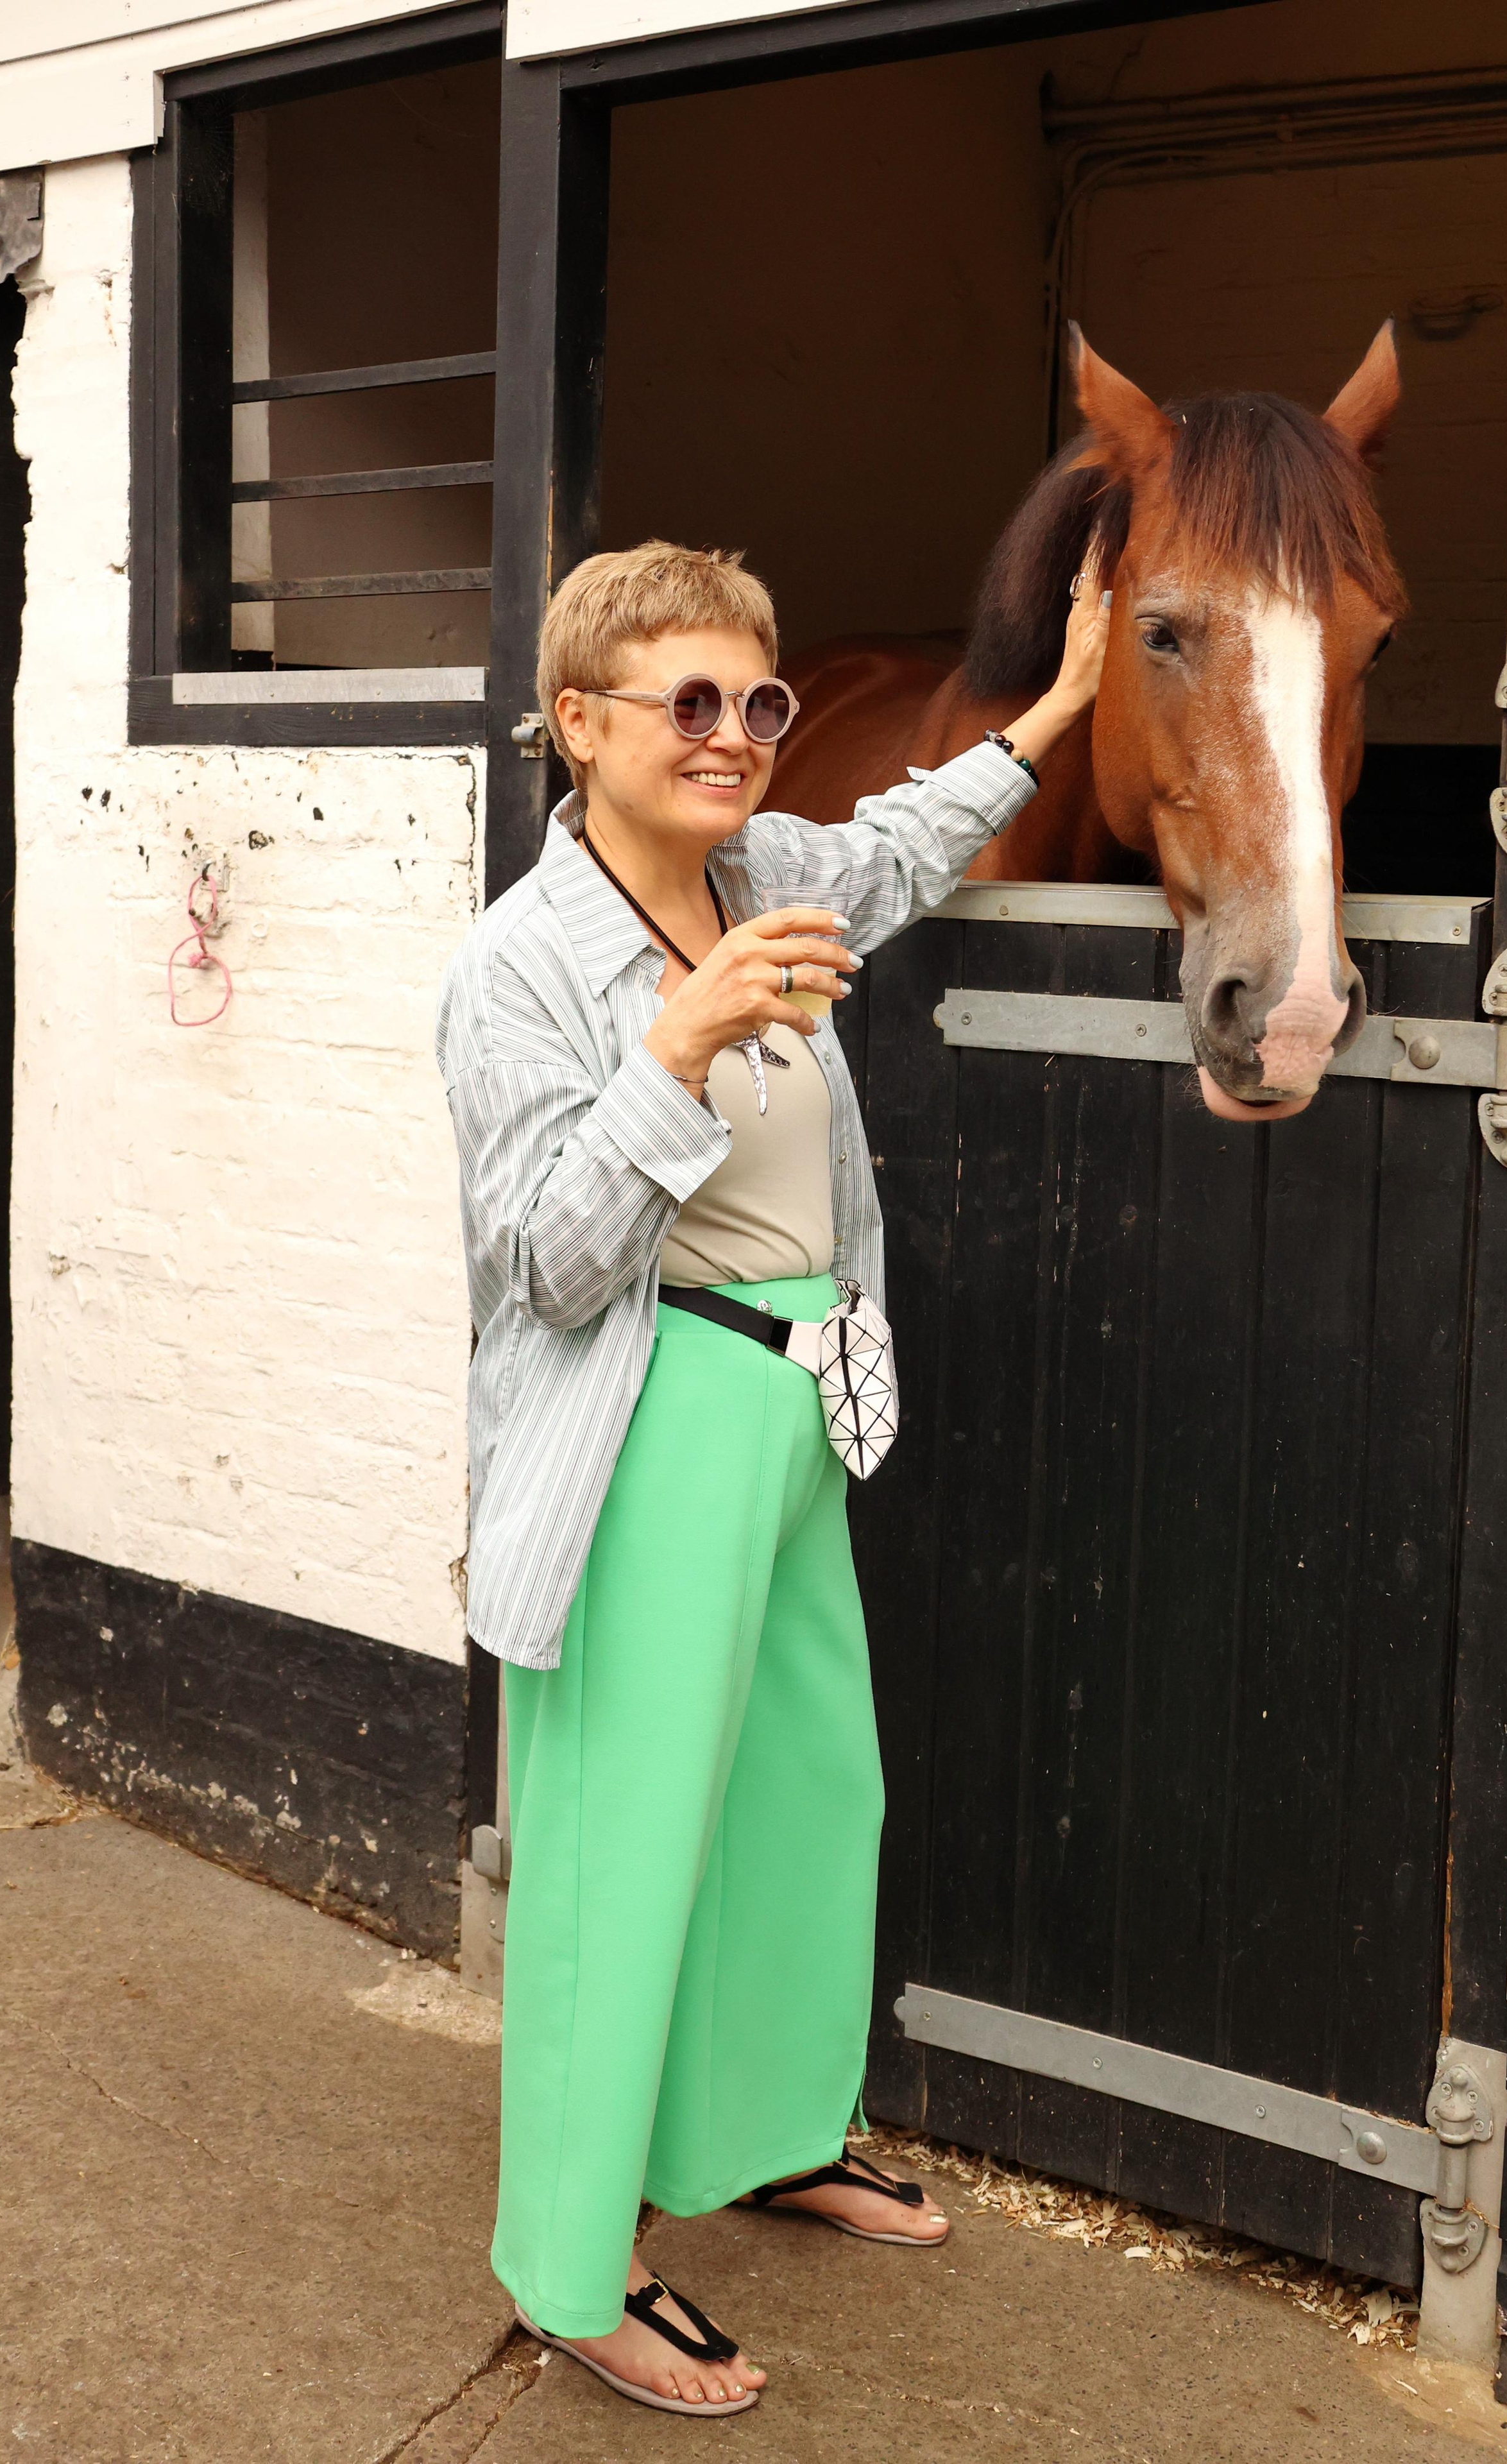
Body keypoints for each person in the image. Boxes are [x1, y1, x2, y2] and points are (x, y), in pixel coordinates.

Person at [436, 539, 1108, 2418]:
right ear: (580, 724)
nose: (736, 737)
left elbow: (894, 849)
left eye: (764, 702)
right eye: (693, 702)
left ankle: (764, 2134)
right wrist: (681, 1040)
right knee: (620, 1855)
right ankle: (572, 2266)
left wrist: (1050, 716)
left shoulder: (766, 867)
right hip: (648, 1420)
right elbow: (554, 1265)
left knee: (814, 1793)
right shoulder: (520, 970)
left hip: (799, 1400)